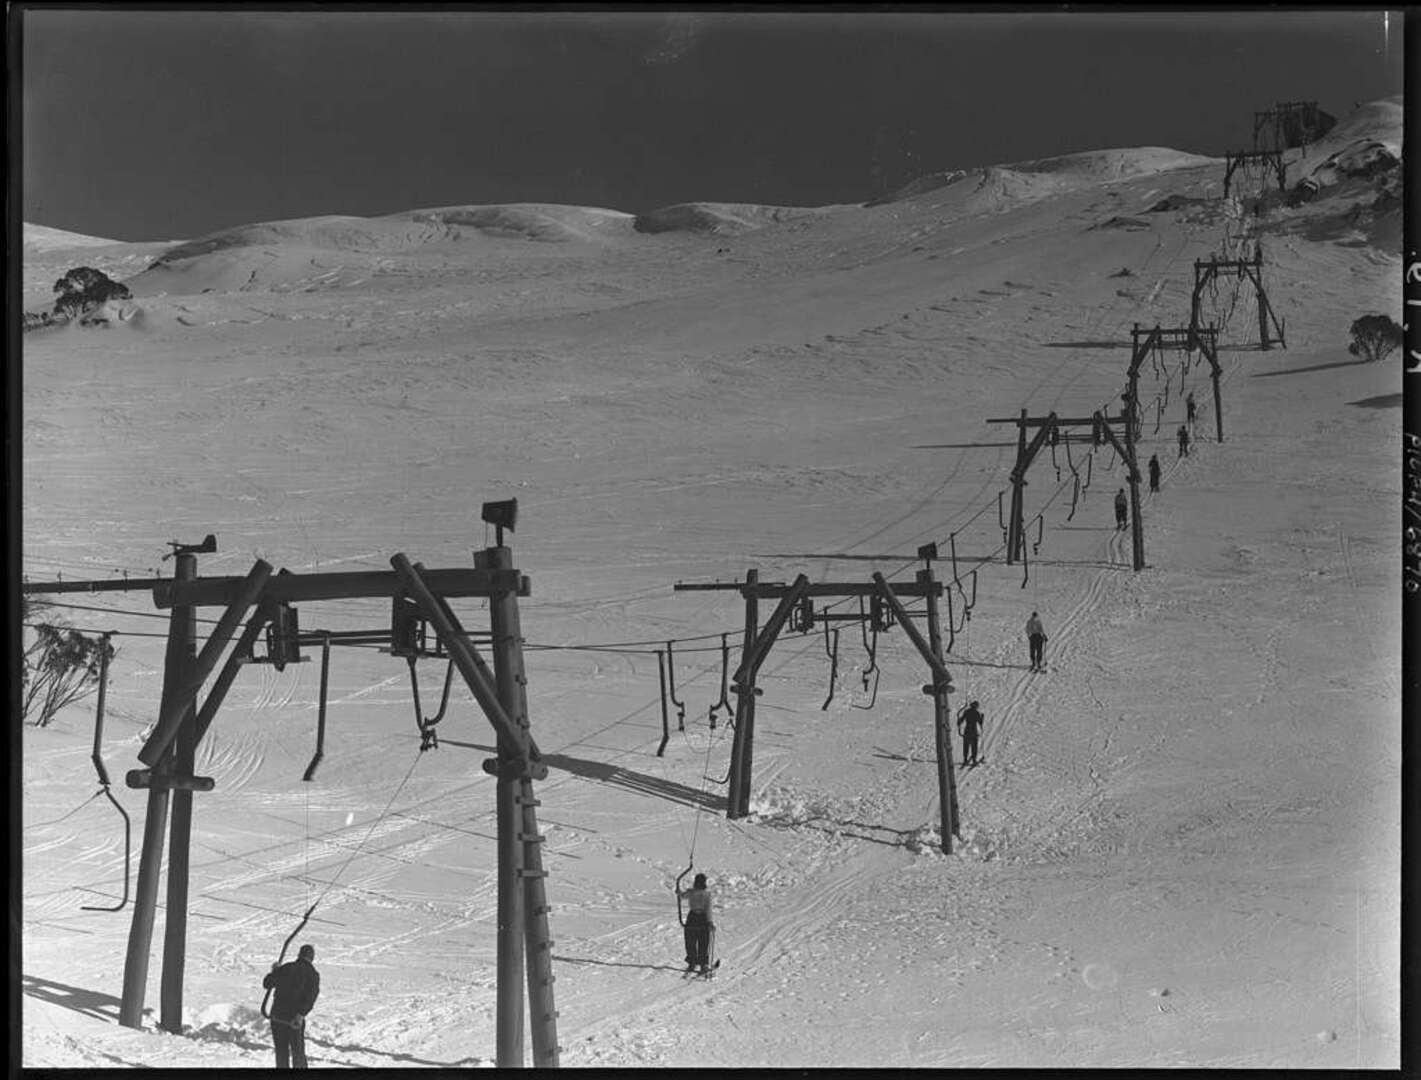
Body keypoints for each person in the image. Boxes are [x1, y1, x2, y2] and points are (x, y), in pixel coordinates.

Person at [263, 943, 320, 1069]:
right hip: (294, 1019)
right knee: (298, 1053)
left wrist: (274, 971)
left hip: (277, 1016)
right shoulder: (313, 974)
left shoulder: (286, 967)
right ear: (312, 958)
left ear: (299, 954)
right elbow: (310, 998)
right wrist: (301, 1015)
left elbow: (267, 983)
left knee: (281, 1051)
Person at [677, 873, 715, 975]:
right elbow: (682, 896)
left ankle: (700, 963)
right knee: (693, 941)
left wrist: (710, 921)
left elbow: (708, 908)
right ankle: (695, 962)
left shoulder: (704, 894)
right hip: (697, 917)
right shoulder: (694, 892)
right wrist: (679, 892)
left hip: (697, 917)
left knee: (697, 941)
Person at [956, 700, 985, 766]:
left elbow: (961, 720)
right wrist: (982, 717)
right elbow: (980, 723)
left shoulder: (966, 712)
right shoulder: (977, 713)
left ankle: (965, 759)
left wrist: (959, 721)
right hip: (974, 731)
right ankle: (974, 760)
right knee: (974, 746)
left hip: (967, 731)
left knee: (966, 746)